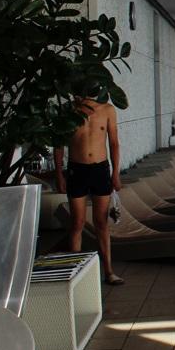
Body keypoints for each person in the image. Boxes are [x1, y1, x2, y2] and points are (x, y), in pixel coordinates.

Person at [54, 95, 124, 285]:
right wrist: (59, 174)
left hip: (100, 169)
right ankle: (75, 274)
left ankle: (108, 271)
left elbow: (114, 143)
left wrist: (115, 173)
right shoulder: (68, 110)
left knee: (101, 222)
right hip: (77, 170)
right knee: (77, 223)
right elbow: (58, 144)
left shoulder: (107, 109)